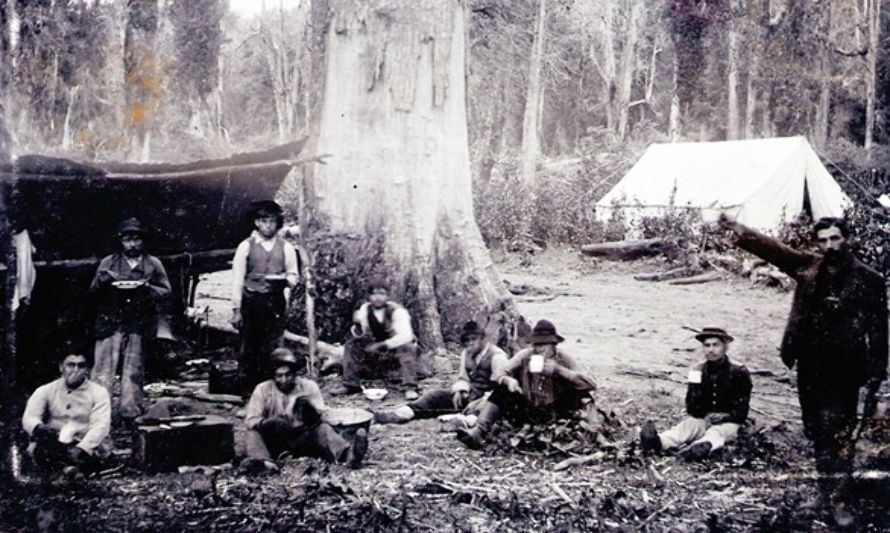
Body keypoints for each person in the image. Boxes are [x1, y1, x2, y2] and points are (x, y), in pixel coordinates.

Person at [719, 214, 887, 525]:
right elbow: (775, 250)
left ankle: (839, 501)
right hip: (809, 366)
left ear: (847, 238)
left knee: (839, 432)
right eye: (823, 240)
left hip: (845, 369)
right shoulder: (808, 266)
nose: (830, 245)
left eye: (835, 238)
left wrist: (877, 372)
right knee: (817, 431)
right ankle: (824, 492)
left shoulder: (869, 279)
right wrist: (741, 231)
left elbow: (879, 331)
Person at [456, 319, 597, 449]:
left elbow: (591, 384)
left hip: (557, 410)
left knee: (582, 394)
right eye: (536, 344)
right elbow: (500, 373)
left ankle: (595, 432)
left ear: (554, 344)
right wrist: (508, 380)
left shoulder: (565, 359)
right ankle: (479, 431)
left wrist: (559, 371)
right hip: (529, 407)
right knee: (502, 390)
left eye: (543, 344)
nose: (538, 349)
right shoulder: (525, 355)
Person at [91, 217, 171, 423]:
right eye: (128, 240)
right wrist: (103, 281)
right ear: (121, 241)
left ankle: (130, 413)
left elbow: (166, 291)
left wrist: (148, 288)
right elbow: (93, 292)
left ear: (143, 241)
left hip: (138, 322)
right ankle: (99, 413)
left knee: (133, 370)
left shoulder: (153, 264)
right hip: (110, 321)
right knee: (103, 370)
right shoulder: (108, 263)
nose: (132, 244)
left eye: (136, 239)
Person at [243, 348, 368, 472]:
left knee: (323, 429)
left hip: (303, 440)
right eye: (279, 376)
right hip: (276, 441)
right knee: (253, 434)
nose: (284, 380)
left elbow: (324, 417)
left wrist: (311, 412)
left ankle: (348, 456)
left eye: (288, 374)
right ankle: (264, 464)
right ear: (273, 375)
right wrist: (267, 422)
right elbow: (250, 420)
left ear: (295, 373)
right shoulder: (263, 389)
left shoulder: (308, 386)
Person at [639, 327, 752, 460]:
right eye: (707, 345)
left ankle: (699, 449)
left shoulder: (739, 371)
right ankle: (658, 442)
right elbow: (692, 407)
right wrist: (700, 405)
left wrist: (725, 417)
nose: (711, 350)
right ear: (702, 348)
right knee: (687, 426)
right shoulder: (697, 370)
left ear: (725, 347)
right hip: (705, 418)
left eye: (716, 345)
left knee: (717, 433)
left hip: (730, 422)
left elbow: (742, 410)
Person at [373, 320, 509, 424]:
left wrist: (480, 401)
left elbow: (501, 391)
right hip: (469, 396)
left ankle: (464, 423)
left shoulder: (497, 357)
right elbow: (463, 377)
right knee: (434, 396)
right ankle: (402, 414)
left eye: (474, 339)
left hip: (488, 401)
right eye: (466, 341)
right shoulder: (466, 353)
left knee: (481, 412)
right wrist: (459, 390)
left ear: (483, 339)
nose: (470, 344)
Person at [231, 200, 299, 398]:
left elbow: (293, 275)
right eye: (263, 221)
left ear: (277, 222)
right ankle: (249, 393)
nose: (268, 225)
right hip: (251, 302)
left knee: (273, 346)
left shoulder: (286, 247)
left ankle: (275, 391)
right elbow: (237, 279)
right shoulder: (246, 246)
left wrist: (287, 280)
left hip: (275, 302)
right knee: (249, 346)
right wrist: (236, 309)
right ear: (256, 223)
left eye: (272, 221)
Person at [22, 351, 111, 478]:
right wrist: (39, 427)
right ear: (61, 367)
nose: (75, 370)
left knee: (93, 455)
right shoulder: (46, 390)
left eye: (81, 366)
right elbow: (30, 417)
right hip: (53, 442)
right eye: (71, 365)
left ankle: (67, 468)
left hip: (82, 444)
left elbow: (101, 426)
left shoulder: (99, 392)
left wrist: (82, 448)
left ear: (87, 369)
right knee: (41, 449)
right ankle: (67, 469)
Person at [330, 278, 421, 400]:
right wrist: (358, 326)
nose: (378, 298)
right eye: (374, 294)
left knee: (408, 346)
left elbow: (406, 336)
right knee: (352, 344)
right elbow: (361, 333)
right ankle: (351, 384)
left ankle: (410, 387)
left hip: (397, 348)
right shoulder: (365, 309)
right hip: (377, 349)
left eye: (382, 294)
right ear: (369, 296)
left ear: (387, 296)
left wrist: (382, 345)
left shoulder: (397, 311)